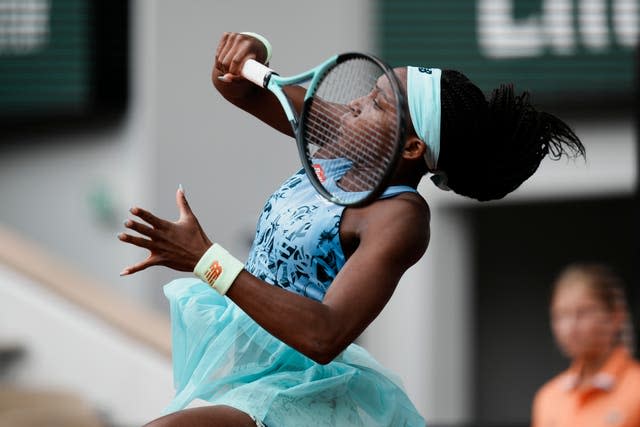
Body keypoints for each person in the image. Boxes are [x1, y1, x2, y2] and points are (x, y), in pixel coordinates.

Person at [118, 32, 585, 427]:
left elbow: (324, 336)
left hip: (299, 388)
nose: (356, 104)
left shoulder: (400, 217)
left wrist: (207, 260)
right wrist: (248, 51)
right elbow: (240, 88)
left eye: (377, 104)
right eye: (369, 91)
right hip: (244, 360)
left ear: (411, 146)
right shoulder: (346, 135)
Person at [532, 264, 640, 427]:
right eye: (561, 315)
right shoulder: (549, 397)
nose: (570, 328)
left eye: (583, 312)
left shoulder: (635, 388)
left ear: (616, 316)